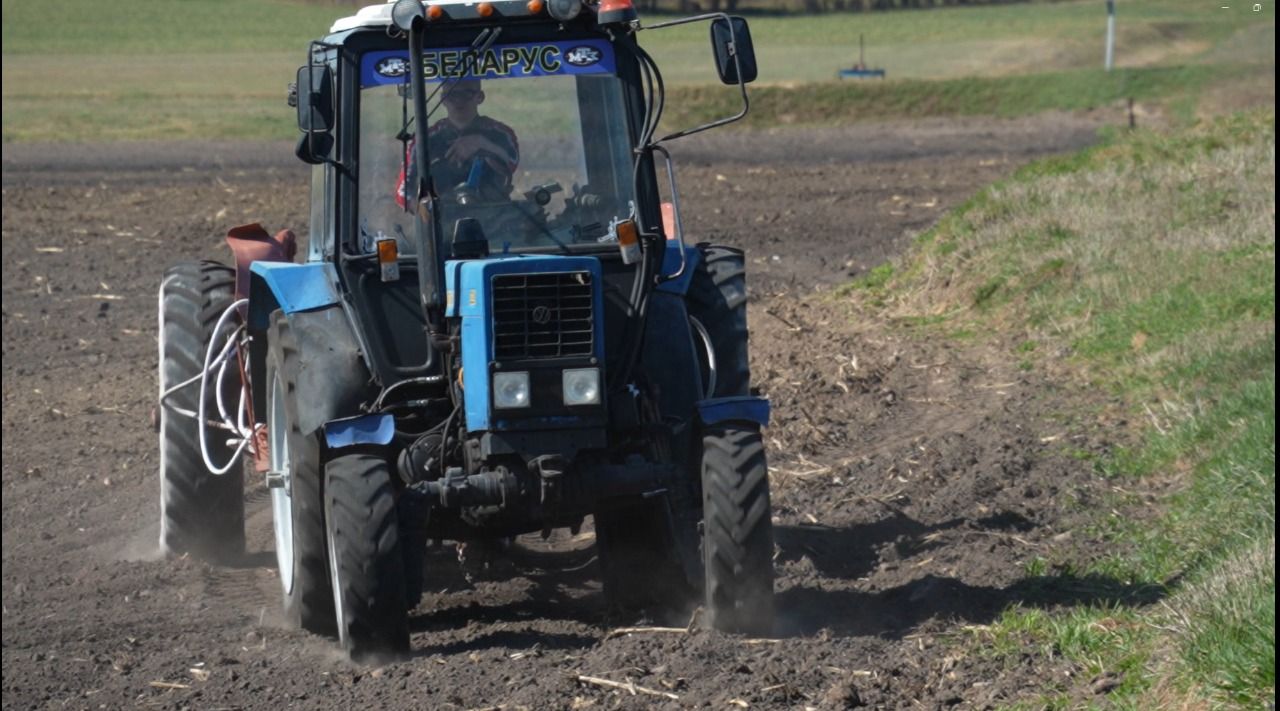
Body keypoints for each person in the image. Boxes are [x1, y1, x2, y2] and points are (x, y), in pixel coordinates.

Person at [396, 79, 520, 208]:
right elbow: (404, 193)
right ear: (443, 99)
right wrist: (422, 206)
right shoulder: (424, 140)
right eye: (452, 94)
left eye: (467, 94)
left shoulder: (501, 134)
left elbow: (511, 163)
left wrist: (482, 143)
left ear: (480, 97)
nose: (459, 101)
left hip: (495, 217)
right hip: (441, 220)